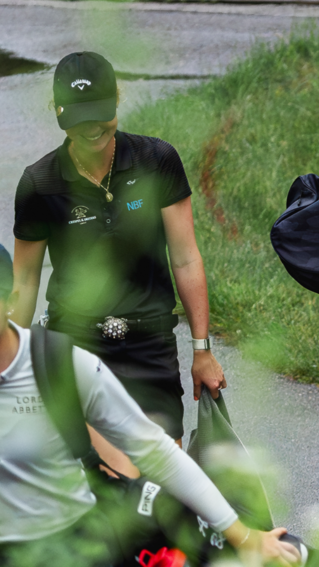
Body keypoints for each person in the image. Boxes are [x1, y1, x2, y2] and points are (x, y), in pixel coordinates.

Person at [0, 235, 300, 567]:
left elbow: (156, 453)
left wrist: (244, 536)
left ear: (10, 302)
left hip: (75, 548)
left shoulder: (62, 366)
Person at [12, 51, 221, 474]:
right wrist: (8, 365)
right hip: (77, 347)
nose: (92, 128)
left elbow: (185, 258)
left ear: (118, 100)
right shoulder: (40, 183)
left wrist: (202, 350)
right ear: (57, 111)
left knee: (165, 481)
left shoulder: (156, 161)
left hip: (151, 344)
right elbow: (24, 284)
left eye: (100, 114)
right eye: (79, 117)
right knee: (110, 480)